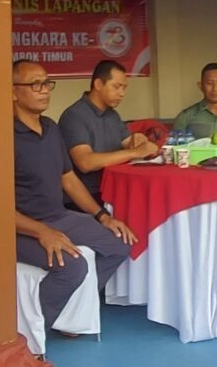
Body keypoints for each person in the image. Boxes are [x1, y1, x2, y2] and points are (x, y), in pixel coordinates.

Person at [12, 60, 133, 329]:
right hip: (18, 229)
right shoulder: (3, 137)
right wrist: (41, 231)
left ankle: (70, 315)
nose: (45, 90)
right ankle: (26, 332)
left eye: (47, 83)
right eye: (35, 85)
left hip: (58, 217)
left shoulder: (50, 127)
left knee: (118, 244)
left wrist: (102, 216)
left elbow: (68, 180)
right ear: (12, 92)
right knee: (72, 266)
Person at [59, 60, 159, 205]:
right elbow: (85, 162)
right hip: (87, 196)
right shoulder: (74, 116)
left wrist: (138, 140)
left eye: (124, 88)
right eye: (117, 87)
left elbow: (128, 143)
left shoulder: (112, 114)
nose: (122, 93)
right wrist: (134, 152)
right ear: (98, 84)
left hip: (113, 188)